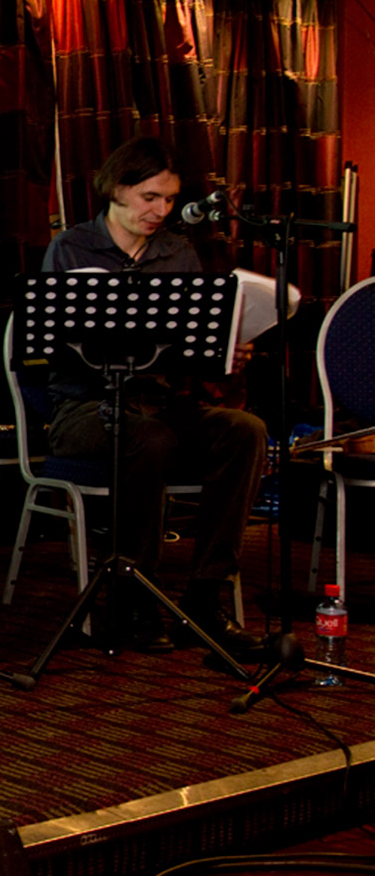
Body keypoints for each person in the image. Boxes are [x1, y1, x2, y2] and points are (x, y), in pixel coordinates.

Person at [41, 136, 267, 656]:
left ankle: (205, 595)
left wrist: (221, 353)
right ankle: (134, 597)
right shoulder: (72, 248)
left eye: (168, 199)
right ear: (117, 189)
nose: (161, 210)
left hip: (159, 402)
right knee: (149, 439)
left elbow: (187, 352)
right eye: (149, 197)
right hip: (83, 406)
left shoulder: (177, 252)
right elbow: (51, 350)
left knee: (245, 430)